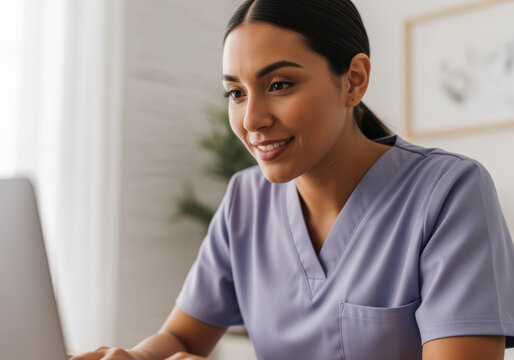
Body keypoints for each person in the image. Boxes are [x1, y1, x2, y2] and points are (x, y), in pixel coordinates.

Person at [72, 0, 514, 359]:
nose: (252, 119)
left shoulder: (449, 193)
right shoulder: (245, 200)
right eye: (236, 92)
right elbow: (184, 339)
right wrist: (139, 357)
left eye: (280, 84)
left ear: (353, 81)